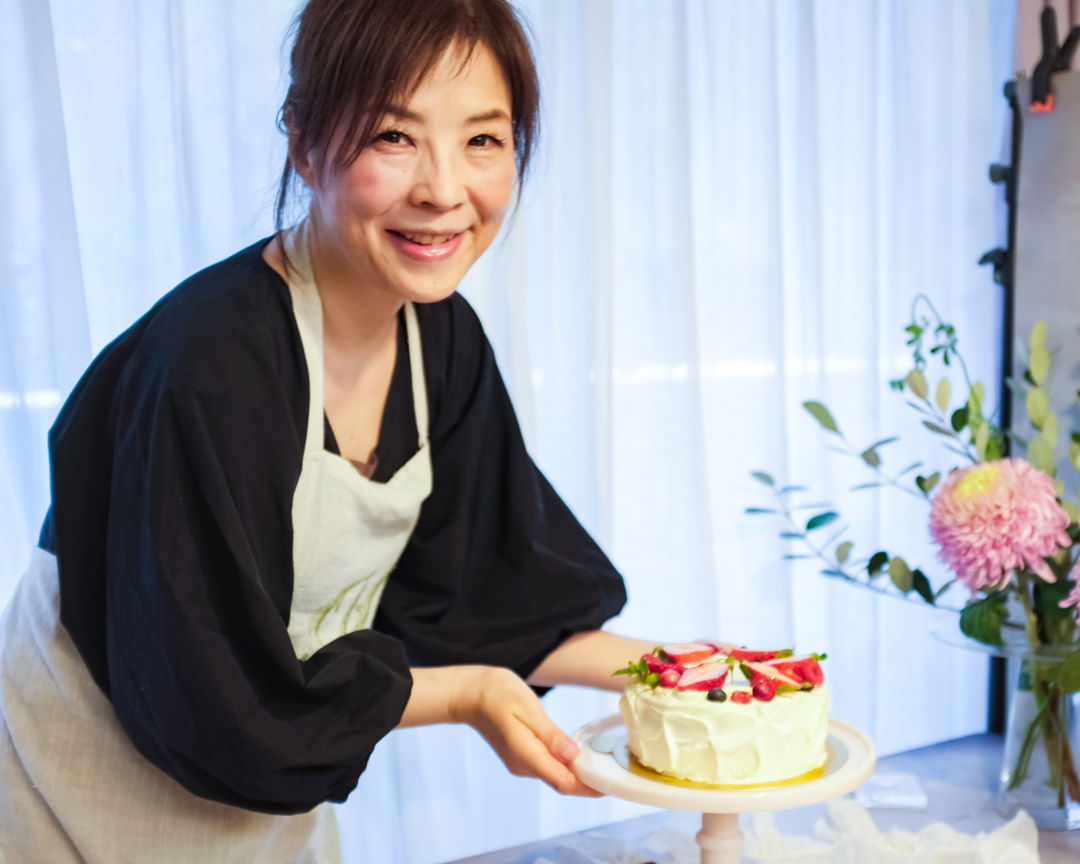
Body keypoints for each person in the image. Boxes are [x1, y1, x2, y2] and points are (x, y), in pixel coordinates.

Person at [0, 0, 658, 860]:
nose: (445, 190)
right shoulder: (213, 363)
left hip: (264, 787)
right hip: (82, 775)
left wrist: (701, 673)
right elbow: (218, 688)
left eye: (484, 140)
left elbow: (484, 598)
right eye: (395, 136)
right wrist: (468, 696)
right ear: (304, 142)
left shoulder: (441, 339)